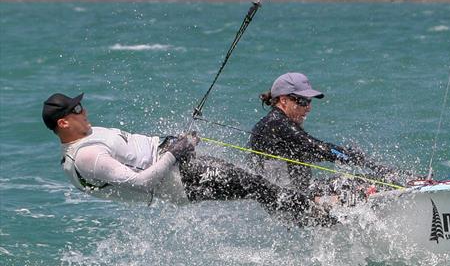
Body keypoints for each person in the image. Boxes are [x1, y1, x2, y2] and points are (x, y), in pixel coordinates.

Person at [43, 92, 332, 225]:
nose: (84, 110)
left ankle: (305, 212)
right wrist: (175, 152)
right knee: (256, 185)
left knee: (256, 186)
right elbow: (141, 182)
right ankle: (319, 218)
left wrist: (174, 144)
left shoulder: (88, 135)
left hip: (179, 170)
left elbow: (138, 152)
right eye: (76, 109)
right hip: (179, 180)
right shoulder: (87, 156)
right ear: (64, 124)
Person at [249, 72, 395, 194]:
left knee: (360, 181)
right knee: (369, 182)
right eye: (303, 101)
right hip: (295, 202)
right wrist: (357, 159)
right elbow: (318, 148)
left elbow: (308, 152)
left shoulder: (272, 123)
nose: (308, 108)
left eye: (309, 101)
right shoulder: (278, 124)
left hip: (294, 196)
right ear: (283, 100)